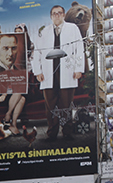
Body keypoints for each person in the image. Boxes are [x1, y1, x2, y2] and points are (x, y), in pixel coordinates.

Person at [30, 4, 84, 139]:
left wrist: (78, 69)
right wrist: (38, 71)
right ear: (51, 16)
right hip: (49, 74)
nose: (57, 15)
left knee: (66, 105)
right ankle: (52, 132)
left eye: (59, 13)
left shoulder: (73, 29)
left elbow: (79, 49)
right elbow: (37, 53)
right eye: (54, 13)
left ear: (64, 15)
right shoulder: (44, 32)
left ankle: (67, 132)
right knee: (50, 105)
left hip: (67, 71)